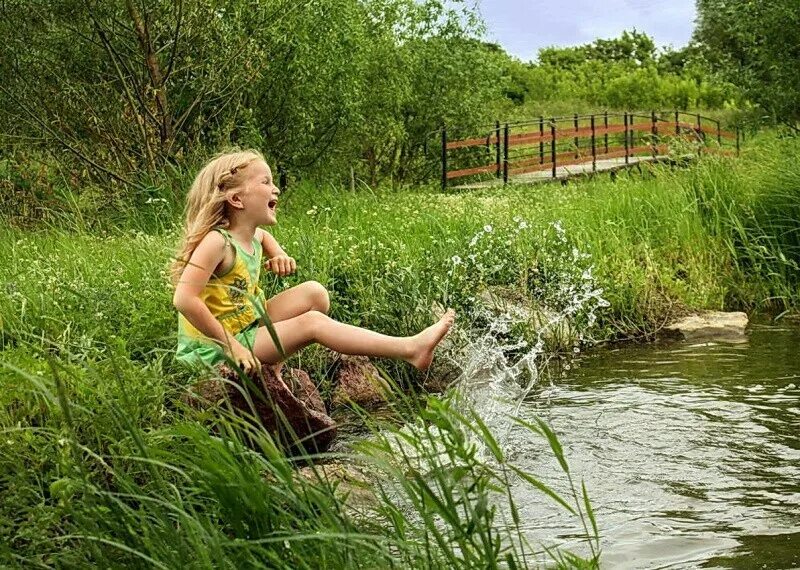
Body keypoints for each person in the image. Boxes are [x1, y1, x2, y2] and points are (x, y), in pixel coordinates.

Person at [170, 149, 455, 375]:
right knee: (312, 324)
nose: (276, 189)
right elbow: (184, 299)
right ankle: (410, 349)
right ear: (236, 199)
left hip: (247, 326)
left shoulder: (253, 236)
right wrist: (233, 347)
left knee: (314, 293)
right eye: (265, 182)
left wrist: (279, 255)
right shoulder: (217, 242)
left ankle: (273, 371)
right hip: (213, 348)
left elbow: (264, 239)